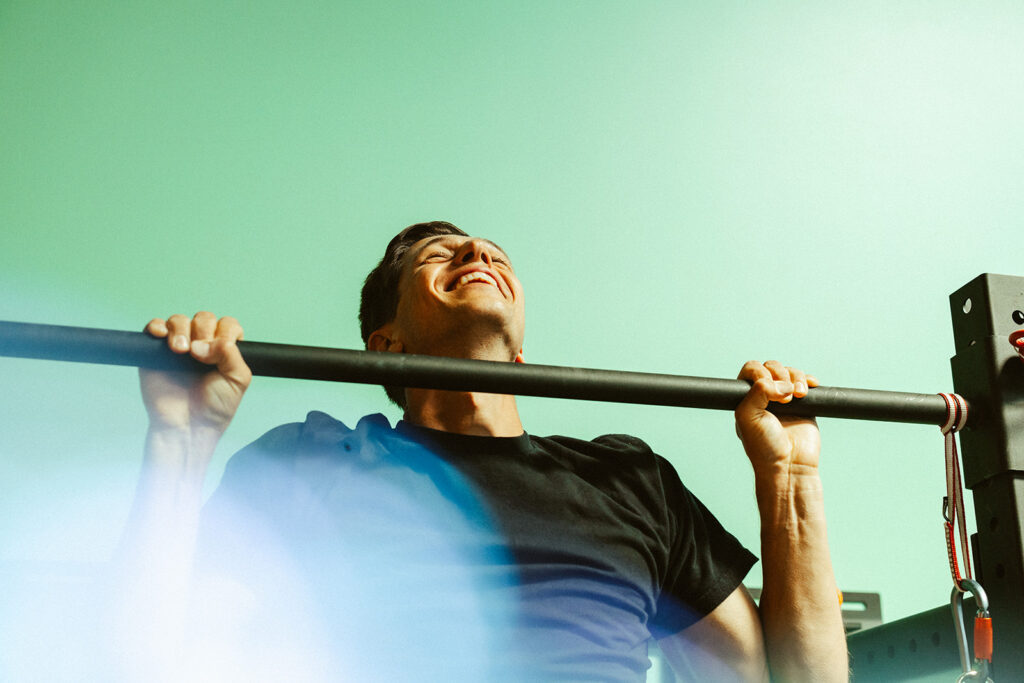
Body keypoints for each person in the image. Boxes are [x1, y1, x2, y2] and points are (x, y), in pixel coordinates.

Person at [120, 221, 848, 682]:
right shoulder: (316, 460)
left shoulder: (629, 480)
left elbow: (786, 681)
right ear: (386, 345)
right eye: (441, 256)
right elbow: (148, 662)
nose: (479, 251)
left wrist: (790, 478)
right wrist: (179, 442)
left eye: (493, 254)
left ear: (522, 350)